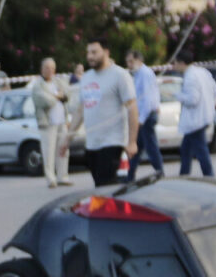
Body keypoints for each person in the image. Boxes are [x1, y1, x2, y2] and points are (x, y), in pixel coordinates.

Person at [76, 40, 138, 187]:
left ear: (106, 52)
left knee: (105, 185)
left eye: (94, 52)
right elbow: (80, 109)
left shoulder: (119, 75)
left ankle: (115, 209)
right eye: (88, 52)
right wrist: (67, 136)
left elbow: (132, 108)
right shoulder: (86, 77)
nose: (90, 56)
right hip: (92, 143)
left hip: (112, 142)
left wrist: (132, 142)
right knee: (101, 185)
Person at [30, 57, 72, 188]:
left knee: (63, 149)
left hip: (61, 121)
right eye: (47, 68)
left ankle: (62, 176)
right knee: (48, 152)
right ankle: (50, 178)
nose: (50, 70)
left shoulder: (58, 82)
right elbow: (44, 101)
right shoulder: (37, 85)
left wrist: (60, 96)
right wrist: (57, 96)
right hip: (47, 124)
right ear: (42, 69)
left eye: (52, 68)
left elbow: (67, 95)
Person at [176, 61, 216, 177]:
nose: (174, 66)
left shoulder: (190, 77)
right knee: (186, 148)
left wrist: (179, 96)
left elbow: (192, 100)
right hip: (205, 116)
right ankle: (184, 175)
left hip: (195, 121)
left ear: (181, 63)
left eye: (175, 63)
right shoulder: (203, 72)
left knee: (200, 150)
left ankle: (209, 175)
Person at [129, 50, 163, 177]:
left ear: (139, 60)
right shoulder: (138, 74)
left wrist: (141, 120)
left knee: (150, 146)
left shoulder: (144, 74)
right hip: (143, 114)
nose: (129, 64)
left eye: (131, 61)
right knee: (138, 146)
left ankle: (160, 172)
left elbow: (147, 99)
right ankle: (130, 174)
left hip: (146, 115)